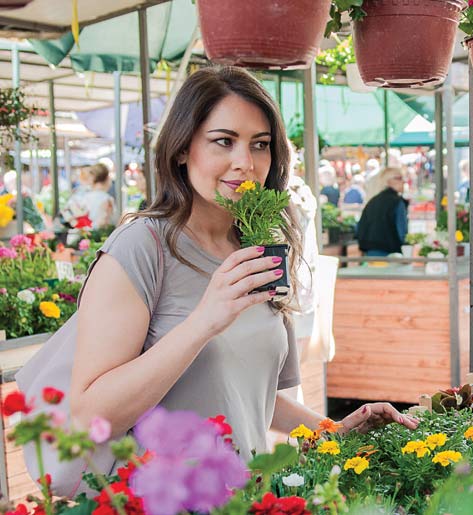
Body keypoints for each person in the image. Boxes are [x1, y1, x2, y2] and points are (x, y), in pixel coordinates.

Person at [67, 67, 418, 463]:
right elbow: (86, 418)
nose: (245, 162)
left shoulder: (258, 245)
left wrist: (330, 430)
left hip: (246, 494)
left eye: (260, 144)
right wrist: (203, 322)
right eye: (224, 141)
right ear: (182, 149)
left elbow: (247, 394)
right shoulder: (140, 247)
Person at [355, 167, 408, 256]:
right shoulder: (397, 202)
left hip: (369, 251)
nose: (403, 181)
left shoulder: (373, 201)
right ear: (388, 181)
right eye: (399, 178)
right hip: (390, 253)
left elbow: (359, 228)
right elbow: (402, 231)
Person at [80, 163, 115, 229]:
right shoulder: (107, 199)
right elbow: (105, 223)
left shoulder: (84, 197)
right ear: (107, 178)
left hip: (85, 236)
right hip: (101, 236)